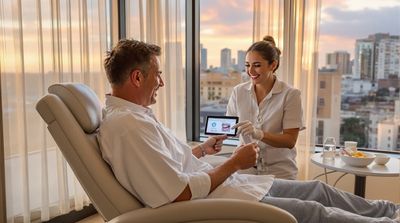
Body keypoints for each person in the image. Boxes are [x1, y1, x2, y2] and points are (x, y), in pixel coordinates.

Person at [98, 39, 399, 223]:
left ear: (273, 65)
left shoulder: (136, 117)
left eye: (257, 65)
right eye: (158, 74)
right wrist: (234, 163)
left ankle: (388, 210)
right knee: (312, 211)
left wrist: (203, 150)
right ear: (137, 77)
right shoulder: (128, 126)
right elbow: (179, 192)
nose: (161, 83)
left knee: (318, 190)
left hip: (236, 181)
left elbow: (169, 163)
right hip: (217, 197)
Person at [227, 35, 303, 180]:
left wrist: (259, 134)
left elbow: (290, 141)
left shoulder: (291, 95)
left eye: (257, 65)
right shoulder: (238, 92)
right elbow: (230, 126)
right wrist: (214, 140)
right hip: (245, 170)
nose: (250, 71)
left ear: (273, 65)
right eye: (247, 65)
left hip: (279, 172)